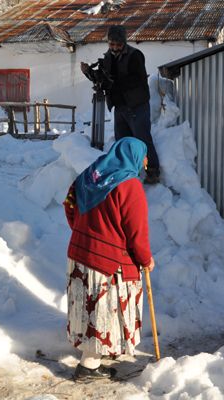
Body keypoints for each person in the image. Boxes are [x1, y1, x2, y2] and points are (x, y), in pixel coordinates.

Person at [63, 137, 155, 380]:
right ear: (133, 156)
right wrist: (145, 260)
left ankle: (93, 360)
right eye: (144, 156)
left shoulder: (90, 176)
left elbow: (69, 204)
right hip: (105, 265)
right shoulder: (129, 186)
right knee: (102, 314)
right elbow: (136, 233)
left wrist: (82, 232)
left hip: (79, 256)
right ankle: (88, 368)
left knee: (87, 310)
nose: (146, 162)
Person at [81, 25, 161, 184]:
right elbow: (102, 78)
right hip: (120, 107)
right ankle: (128, 173)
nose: (115, 48)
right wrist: (89, 72)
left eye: (118, 45)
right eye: (112, 44)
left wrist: (112, 83)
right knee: (122, 141)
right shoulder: (108, 57)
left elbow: (136, 80)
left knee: (142, 138)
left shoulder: (135, 56)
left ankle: (152, 170)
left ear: (124, 43)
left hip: (136, 105)